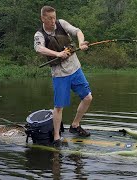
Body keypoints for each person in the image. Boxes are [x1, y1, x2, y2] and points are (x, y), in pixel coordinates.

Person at [34, 5, 92, 147]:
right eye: (49, 18)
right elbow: (39, 48)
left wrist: (81, 42)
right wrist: (58, 54)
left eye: (54, 17)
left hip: (75, 69)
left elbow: (77, 31)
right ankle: (56, 137)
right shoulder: (39, 34)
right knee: (59, 107)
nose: (53, 21)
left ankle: (75, 125)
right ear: (43, 18)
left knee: (87, 98)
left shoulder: (62, 23)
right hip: (59, 74)